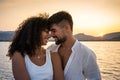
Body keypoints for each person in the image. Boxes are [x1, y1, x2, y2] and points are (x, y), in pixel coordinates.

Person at [7, 13, 64, 80]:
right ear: (34, 32)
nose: (50, 36)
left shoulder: (53, 56)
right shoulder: (19, 56)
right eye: (46, 32)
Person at [47, 11, 101, 80]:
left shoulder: (87, 54)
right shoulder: (50, 50)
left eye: (54, 31)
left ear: (66, 28)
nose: (51, 35)